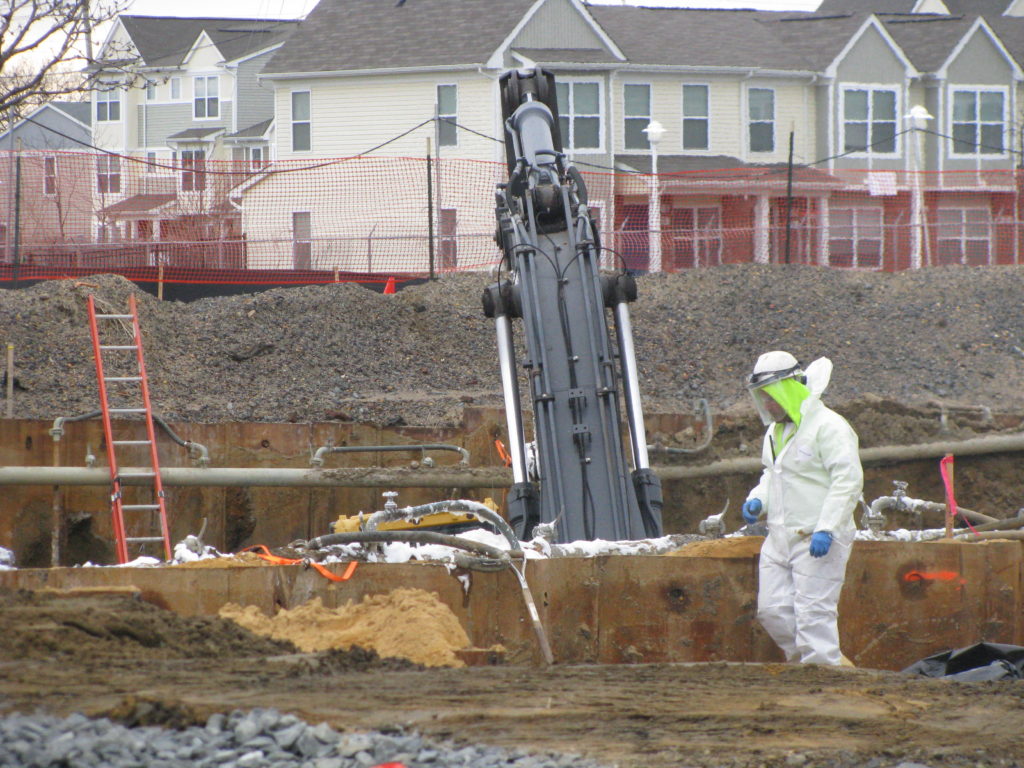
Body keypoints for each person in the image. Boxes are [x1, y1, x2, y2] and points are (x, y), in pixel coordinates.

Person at [741, 350, 863, 666]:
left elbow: (847, 480)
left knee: (813, 616)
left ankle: (826, 688)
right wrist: (759, 498)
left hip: (816, 537)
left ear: (791, 388)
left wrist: (827, 527)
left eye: (772, 396)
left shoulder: (829, 427)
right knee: (773, 611)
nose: (767, 405)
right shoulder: (775, 432)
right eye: (763, 398)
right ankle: (818, 668)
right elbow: (773, 473)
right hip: (780, 537)